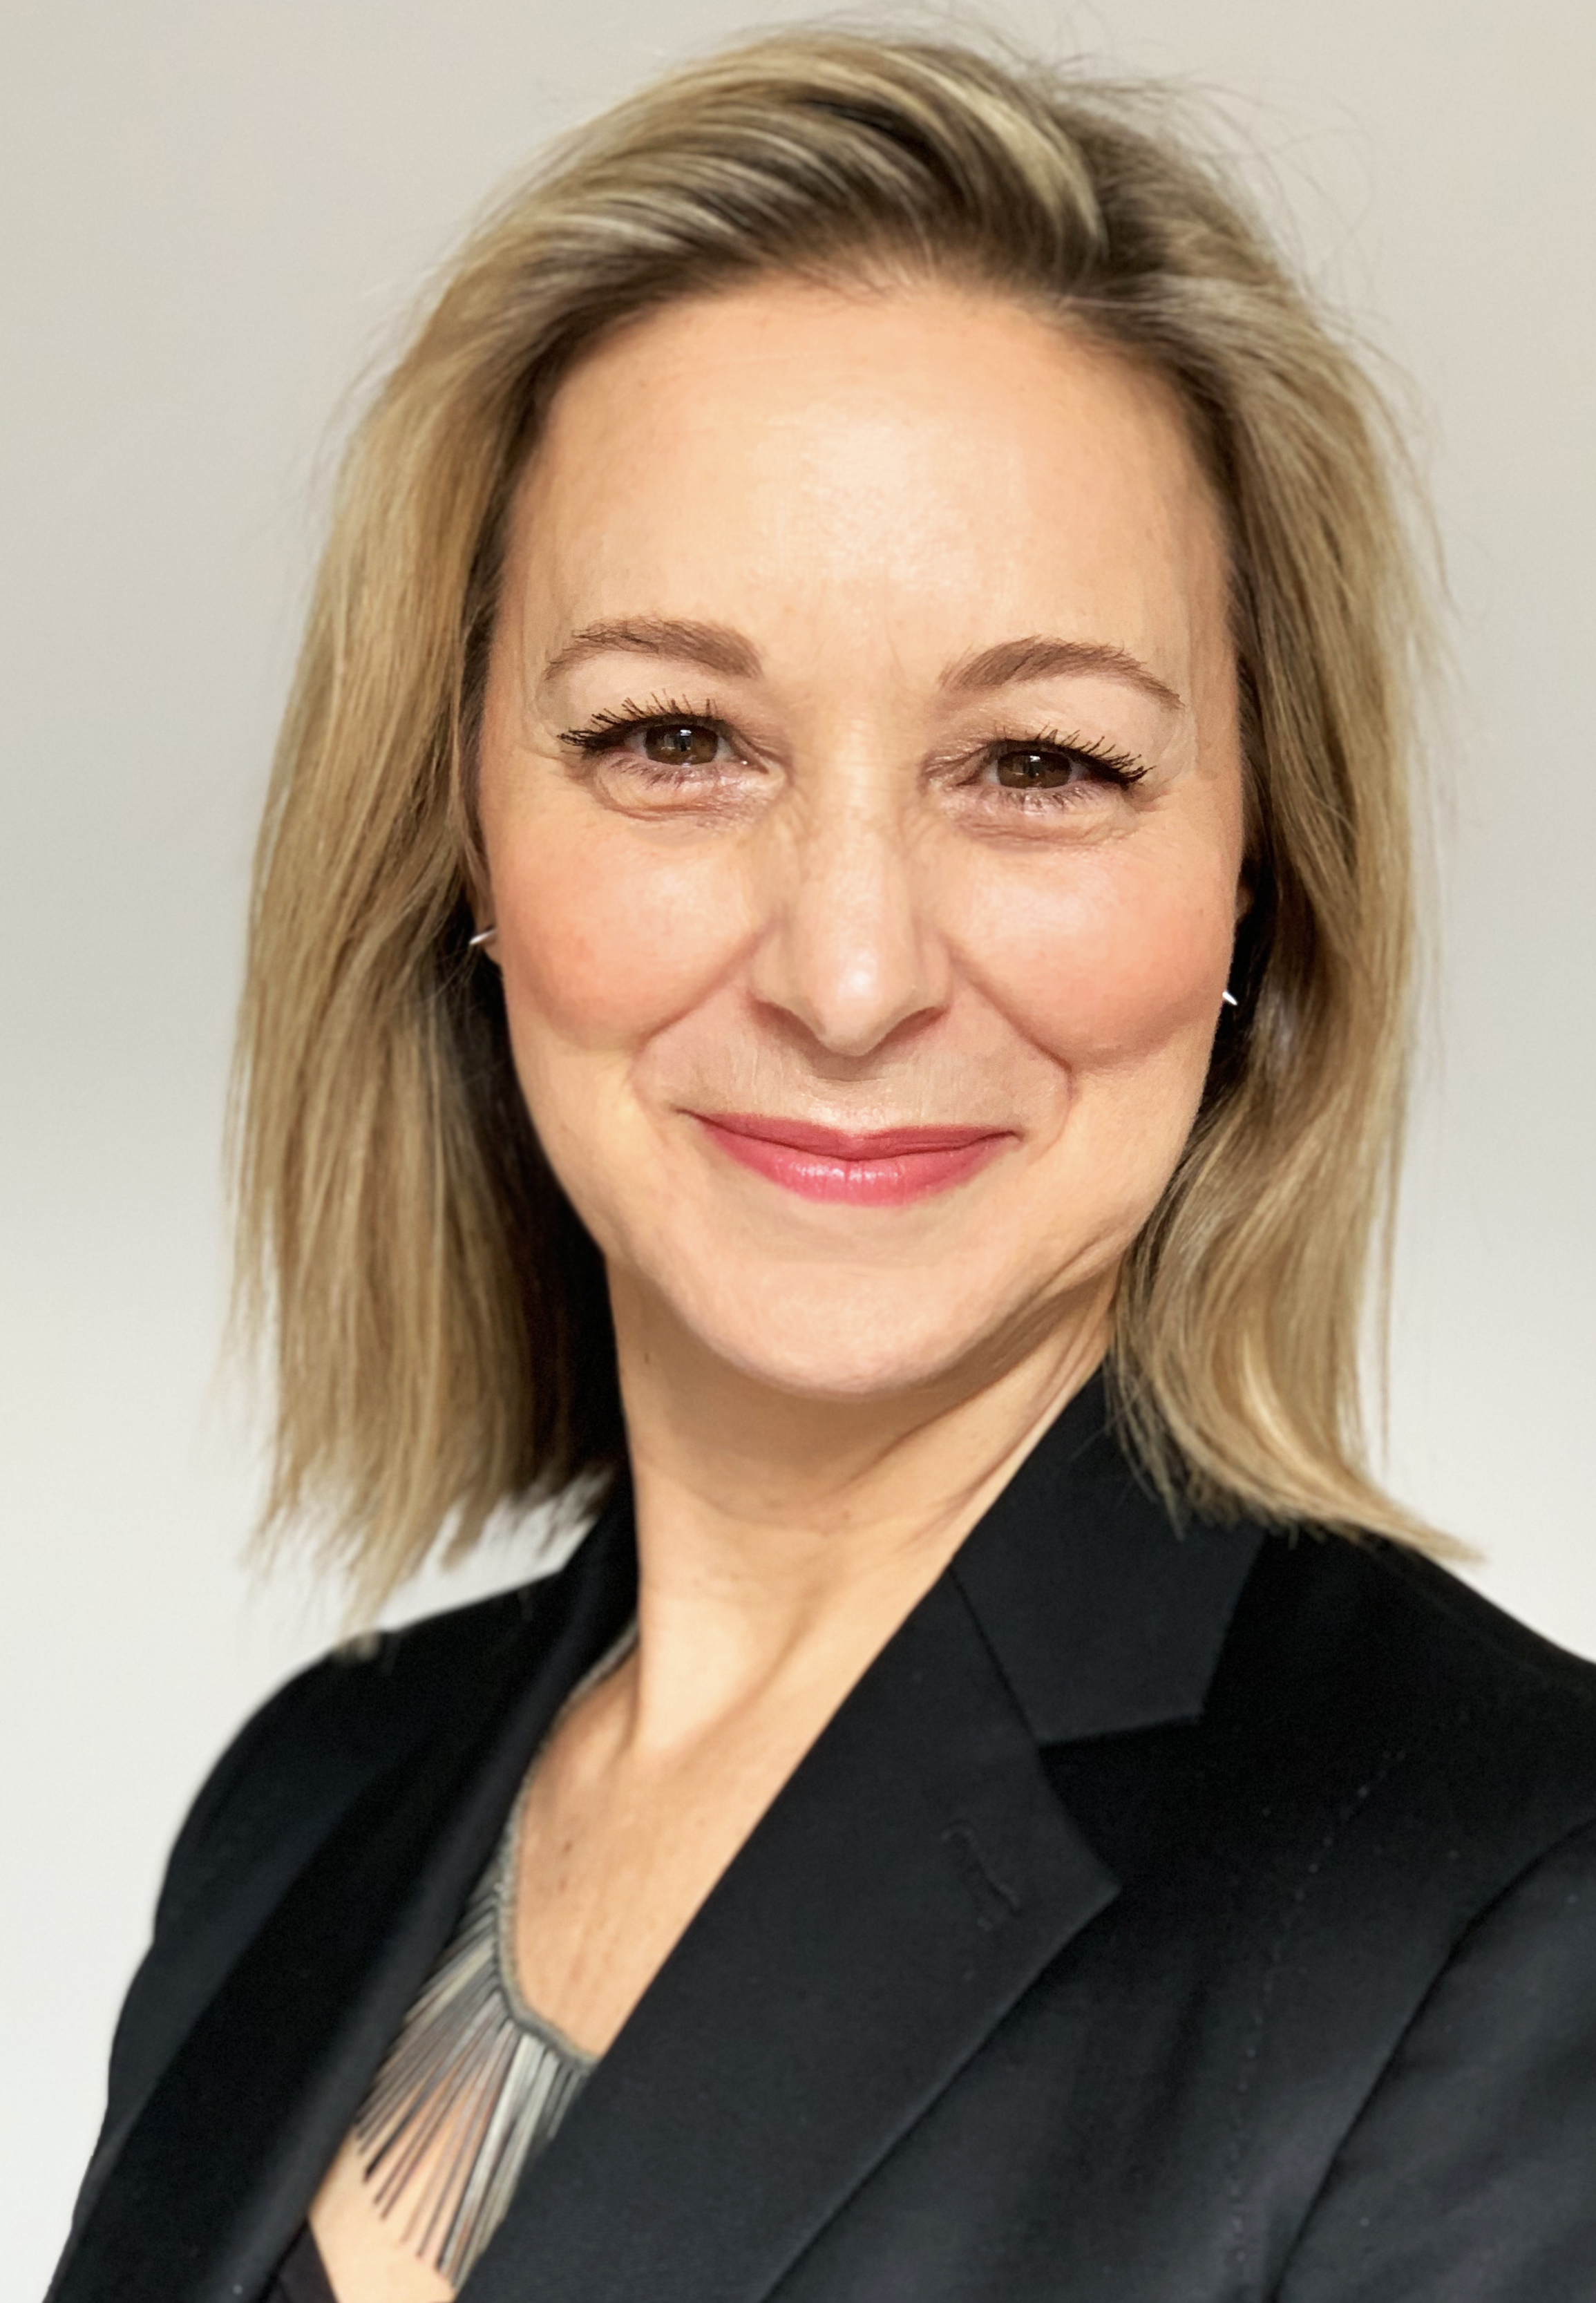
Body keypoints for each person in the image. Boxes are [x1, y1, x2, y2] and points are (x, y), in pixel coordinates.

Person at [49, 29, 1596, 2303]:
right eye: (675, 737)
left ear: (1263, 880)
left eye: (1042, 763)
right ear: (459, 831)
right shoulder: (307, 1808)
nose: (852, 975)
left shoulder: (1516, 1914)